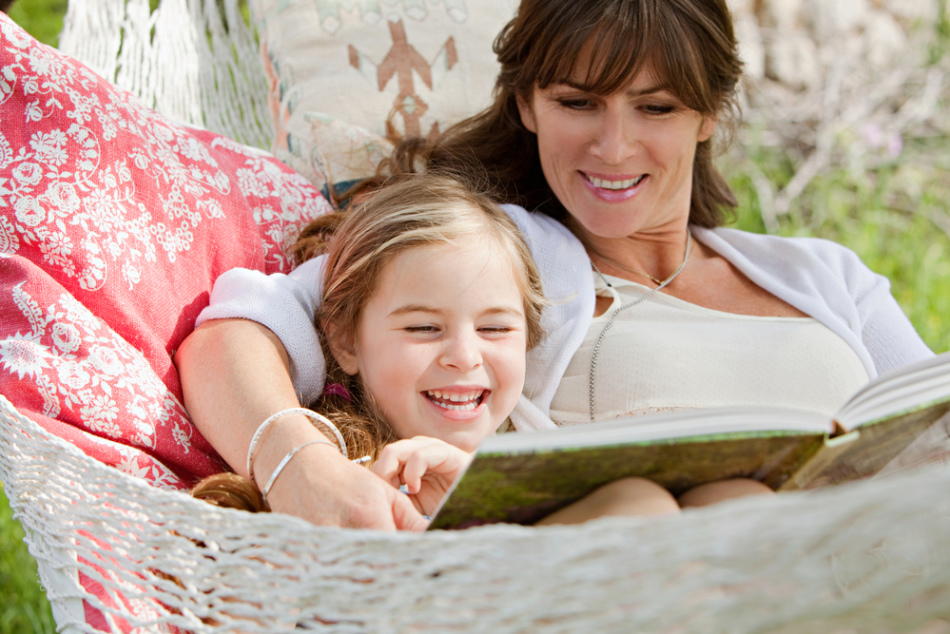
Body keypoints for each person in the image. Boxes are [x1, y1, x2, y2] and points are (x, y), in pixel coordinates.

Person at [175, 0, 933, 530]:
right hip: (670, 577)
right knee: (730, 507)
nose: (613, 147)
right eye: (579, 103)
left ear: (709, 113)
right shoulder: (493, 251)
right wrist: (302, 468)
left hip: (889, 566)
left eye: (656, 108)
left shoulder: (825, 276)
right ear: (527, 104)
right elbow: (236, 335)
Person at [189, 172, 684, 523]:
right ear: (345, 340)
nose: (465, 356)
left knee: (642, 501)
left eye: (495, 330)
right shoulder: (347, 483)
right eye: (424, 329)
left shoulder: (536, 449)